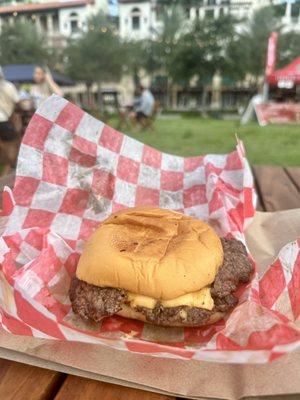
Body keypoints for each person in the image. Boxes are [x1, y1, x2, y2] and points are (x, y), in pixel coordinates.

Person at [0, 66, 20, 174]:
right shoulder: (9, 86)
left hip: (5, 121)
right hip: (5, 122)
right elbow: (17, 102)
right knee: (10, 149)